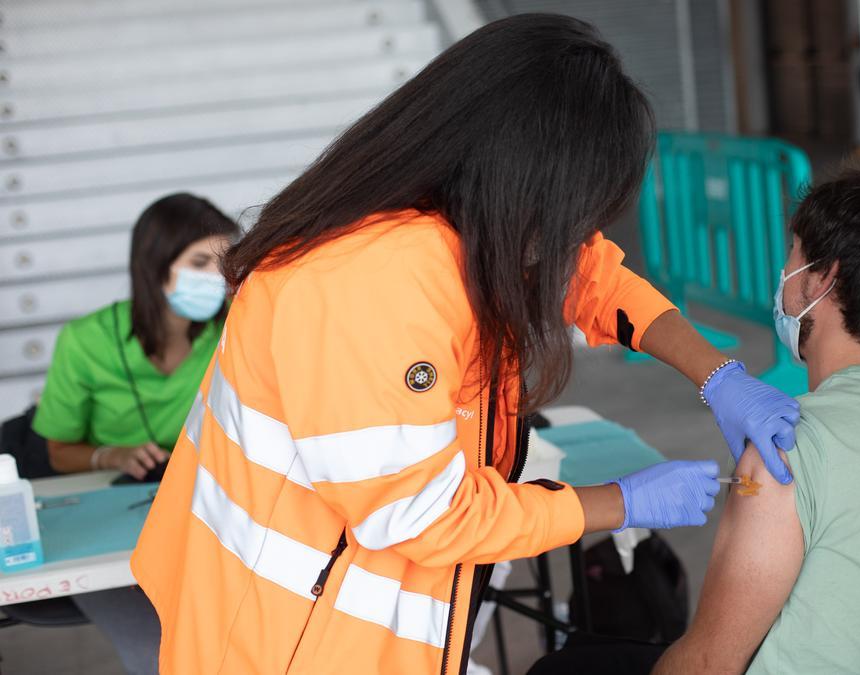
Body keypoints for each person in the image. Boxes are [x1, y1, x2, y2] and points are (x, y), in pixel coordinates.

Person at [131, 14, 800, 675]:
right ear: (523, 180)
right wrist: (621, 502)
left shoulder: (452, 211)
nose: (579, 236)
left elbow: (592, 276)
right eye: (576, 210)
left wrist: (717, 375)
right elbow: (422, 513)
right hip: (278, 647)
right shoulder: (376, 283)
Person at [532, 167, 860, 675]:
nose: (784, 270)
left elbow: (708, 664)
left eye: (793, 252)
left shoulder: (781, 453)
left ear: (822, 277)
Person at [31, 192, 238, 675]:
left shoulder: (236, 330)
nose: (218, 275)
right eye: (200, 261)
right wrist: (112, 456)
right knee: (157, 654)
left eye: (226, 260)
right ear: (155, 264)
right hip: (112, 525)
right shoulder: (86, 341)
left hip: (207, 518)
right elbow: (58, 452)